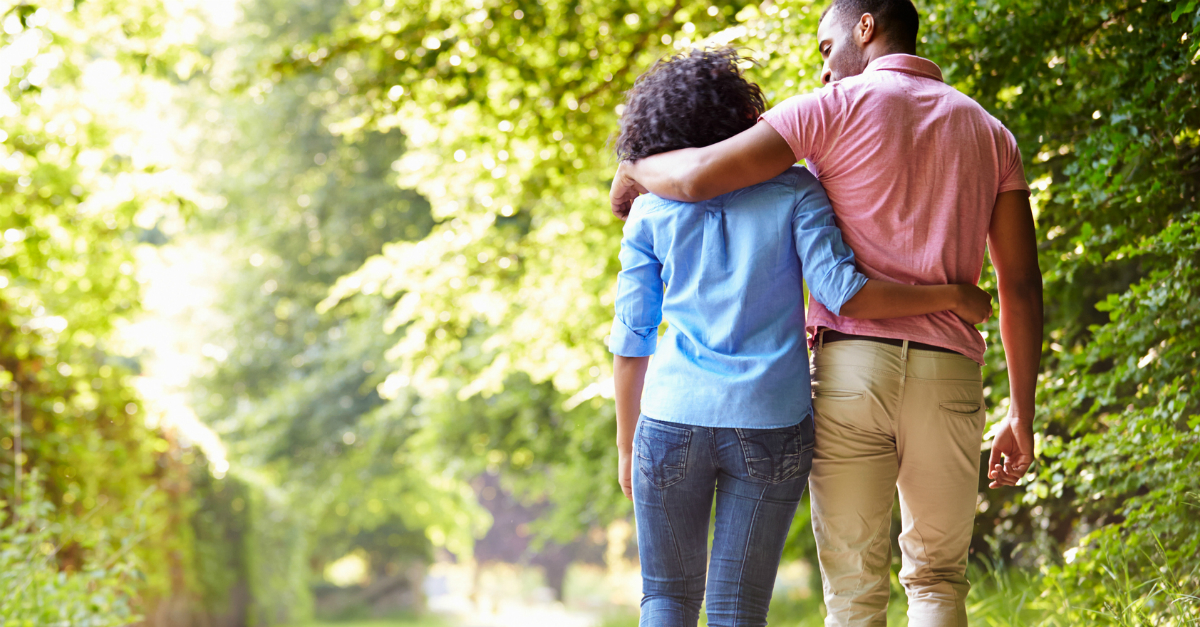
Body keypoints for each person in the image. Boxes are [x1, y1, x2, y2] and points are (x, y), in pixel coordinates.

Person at [608, 2, 1044, 626]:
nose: (821, 71)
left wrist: (634, 162)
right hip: (943, 373)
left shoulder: (827, 112)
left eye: (823, 48)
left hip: (844, 374)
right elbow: (1021, 287)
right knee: (939, 579)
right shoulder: (990, 132)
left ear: (864, 26)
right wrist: (1020, 413)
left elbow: (701, 178)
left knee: (850, 592)